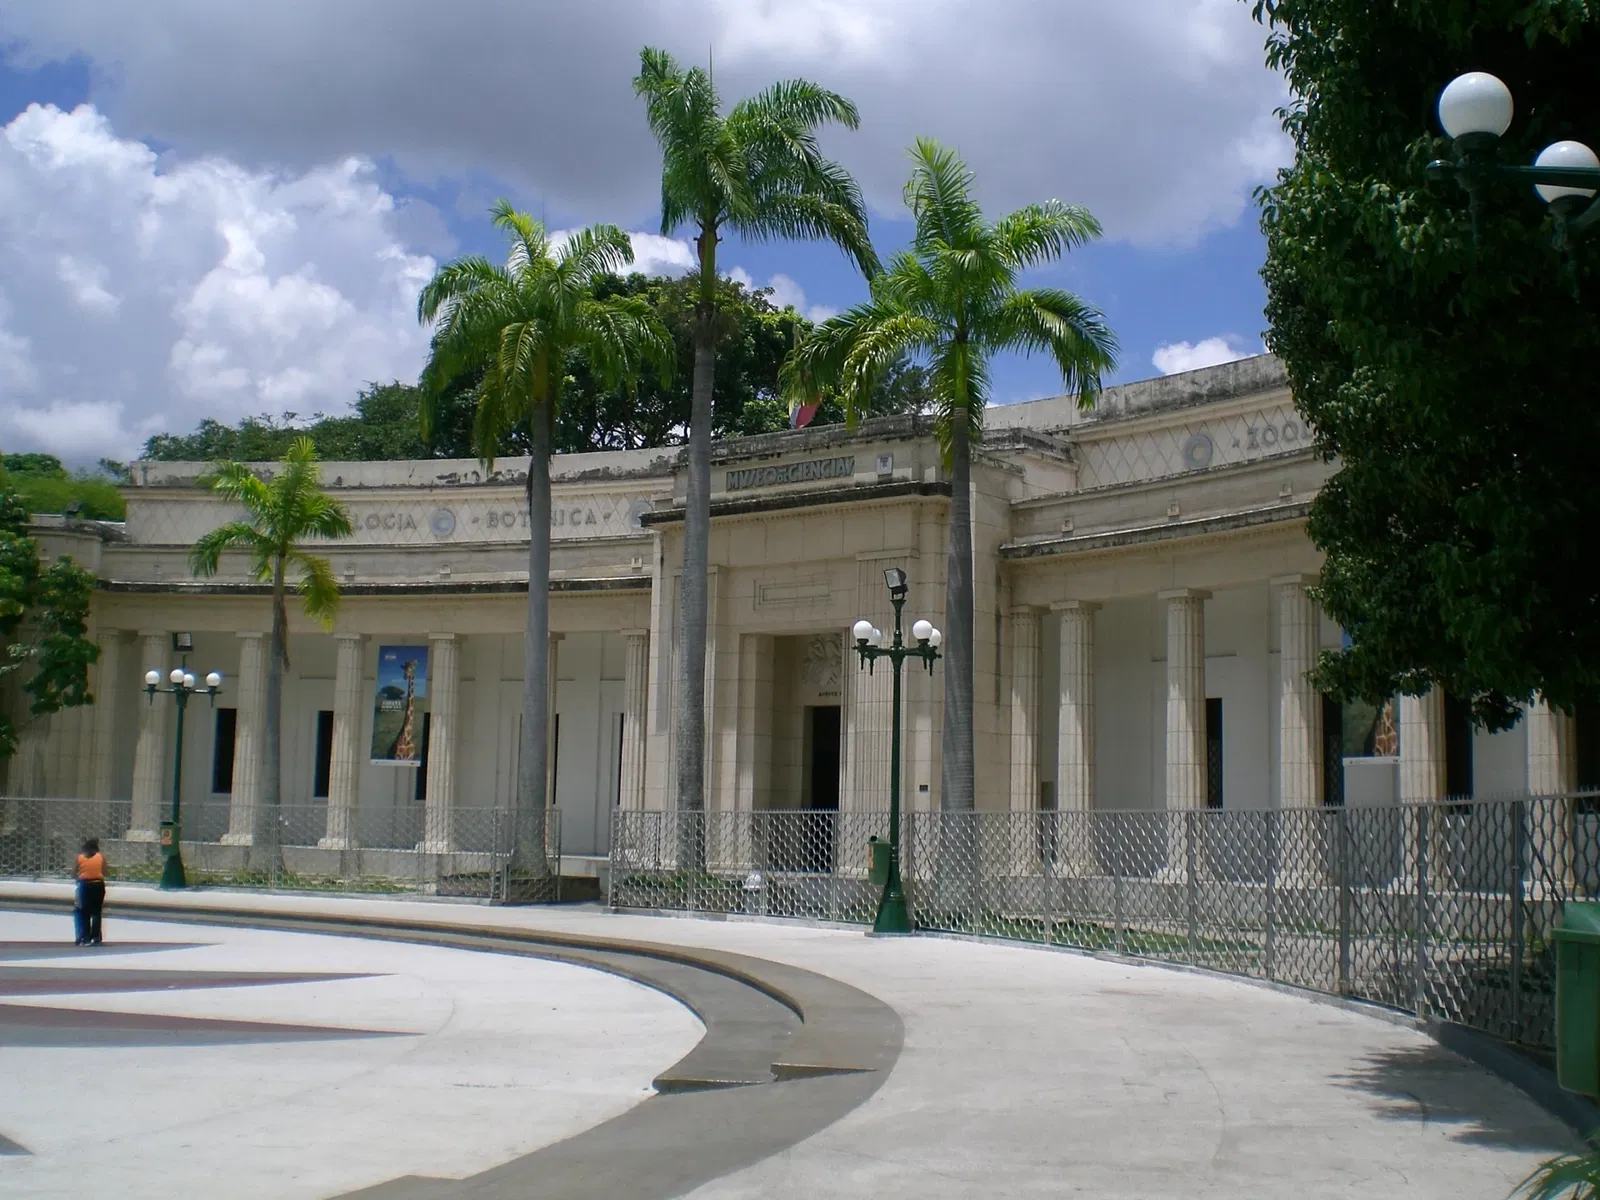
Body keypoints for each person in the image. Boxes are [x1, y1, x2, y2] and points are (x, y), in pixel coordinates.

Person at [74, 838, 106, 946]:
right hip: (98, 884)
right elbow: (105, 871)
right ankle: (96, 937)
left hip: (85, 884)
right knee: (96, 912)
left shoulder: (80, 857)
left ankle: (85, 937)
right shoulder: (100, 857)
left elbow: (74, 872)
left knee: (85, 911)